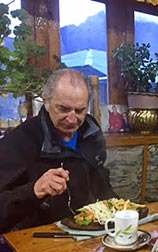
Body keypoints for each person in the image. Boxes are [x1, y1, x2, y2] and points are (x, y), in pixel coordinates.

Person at [0, 69, 118, 234]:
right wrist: (34, 190)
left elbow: (101, 183)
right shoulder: (21, 141)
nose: (72, 119)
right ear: (46, 101)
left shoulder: (91, 131)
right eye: (63, 109)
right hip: (38, 239)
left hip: (88, 234)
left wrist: (120, 211)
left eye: (79, 111)